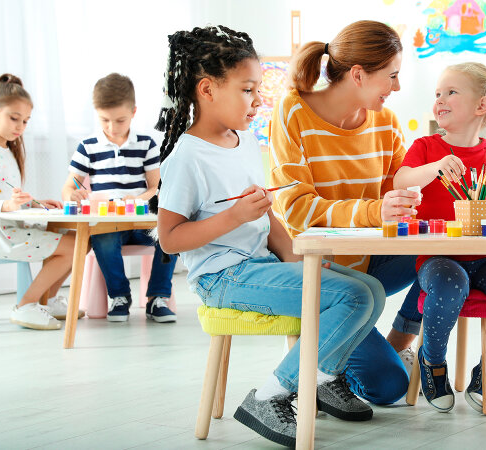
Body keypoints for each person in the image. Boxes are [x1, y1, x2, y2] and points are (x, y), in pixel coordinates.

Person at [154, 25, 385, 447]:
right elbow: (169, 239)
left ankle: (321, 378)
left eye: (258, 89)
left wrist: (298, 257)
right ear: (207, 90)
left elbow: (265, 219)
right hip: (222, 278)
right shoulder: (187, 156)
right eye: (248, 90)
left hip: (260, 265)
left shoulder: (242, 142)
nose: (258, 100)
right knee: (353, 297)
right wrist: (233, 216)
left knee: (369, 288)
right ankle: (271, 395)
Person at [268, 20, 426, 406]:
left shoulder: (386, 123)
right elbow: (297, 209)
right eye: (392, 76)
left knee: (440, 251)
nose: (398, 87)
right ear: (358, 75)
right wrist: (377, 211)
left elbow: (396, 191)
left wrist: (414, 197)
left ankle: (395, 342)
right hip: (320, 275)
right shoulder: (293, 113)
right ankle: (331, 337)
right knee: (388, 388)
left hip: (371, 264)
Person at [393, 62, 486, 413]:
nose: (440, 99)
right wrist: (436, 168)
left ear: (481, 105)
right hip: (439, 259)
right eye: (437, 94)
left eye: (451, 92)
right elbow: (401, 180)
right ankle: (432, 364)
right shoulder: (427, 148)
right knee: (449, 283)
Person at [62, 73, 177, 323]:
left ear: (134, 112)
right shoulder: (87, 147)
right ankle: (119, 296)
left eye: (120, 120)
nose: (112, 127)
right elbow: (68, 189)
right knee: (102, 236)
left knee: (171, 234)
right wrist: (74, 192)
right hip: (109, 223)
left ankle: (157, 297)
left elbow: (156, 187)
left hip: (139, 222)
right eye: (104, 120)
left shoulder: (146, 145)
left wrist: (138, 201)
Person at [0, 74, 77, 330]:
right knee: (74, 246)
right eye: (14, 118)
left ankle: (47, 301)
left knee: (79, 239)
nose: (20, 126)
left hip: (8, 229)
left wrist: (33, 203)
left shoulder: (5, 150)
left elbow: (6, 196)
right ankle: (26, 305)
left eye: (26, 121)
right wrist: (6, 207)